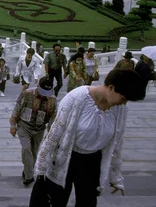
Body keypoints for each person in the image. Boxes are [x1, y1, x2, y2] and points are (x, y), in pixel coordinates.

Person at [29, 69, 146, 207]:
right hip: (66, 157)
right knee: (56, 201)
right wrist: (41, 170)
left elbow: (117, 142)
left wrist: (115, 176)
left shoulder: (120, 109)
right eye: (123, 98)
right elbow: (53, 135)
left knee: (88, 202)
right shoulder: (76, 98)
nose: (124, 103)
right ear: (111, 88)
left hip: (92, 161)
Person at [10, 77, 57, 186]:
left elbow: (53, 118)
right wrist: (13, 125)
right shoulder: (27, 93)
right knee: (26, 149)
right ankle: (29, 177)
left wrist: (50, 133)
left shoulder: (52, 100)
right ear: (38, 86)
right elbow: (17, 108)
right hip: (24, 126)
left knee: (34, 153)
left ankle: (27, 169)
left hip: (39, 129)